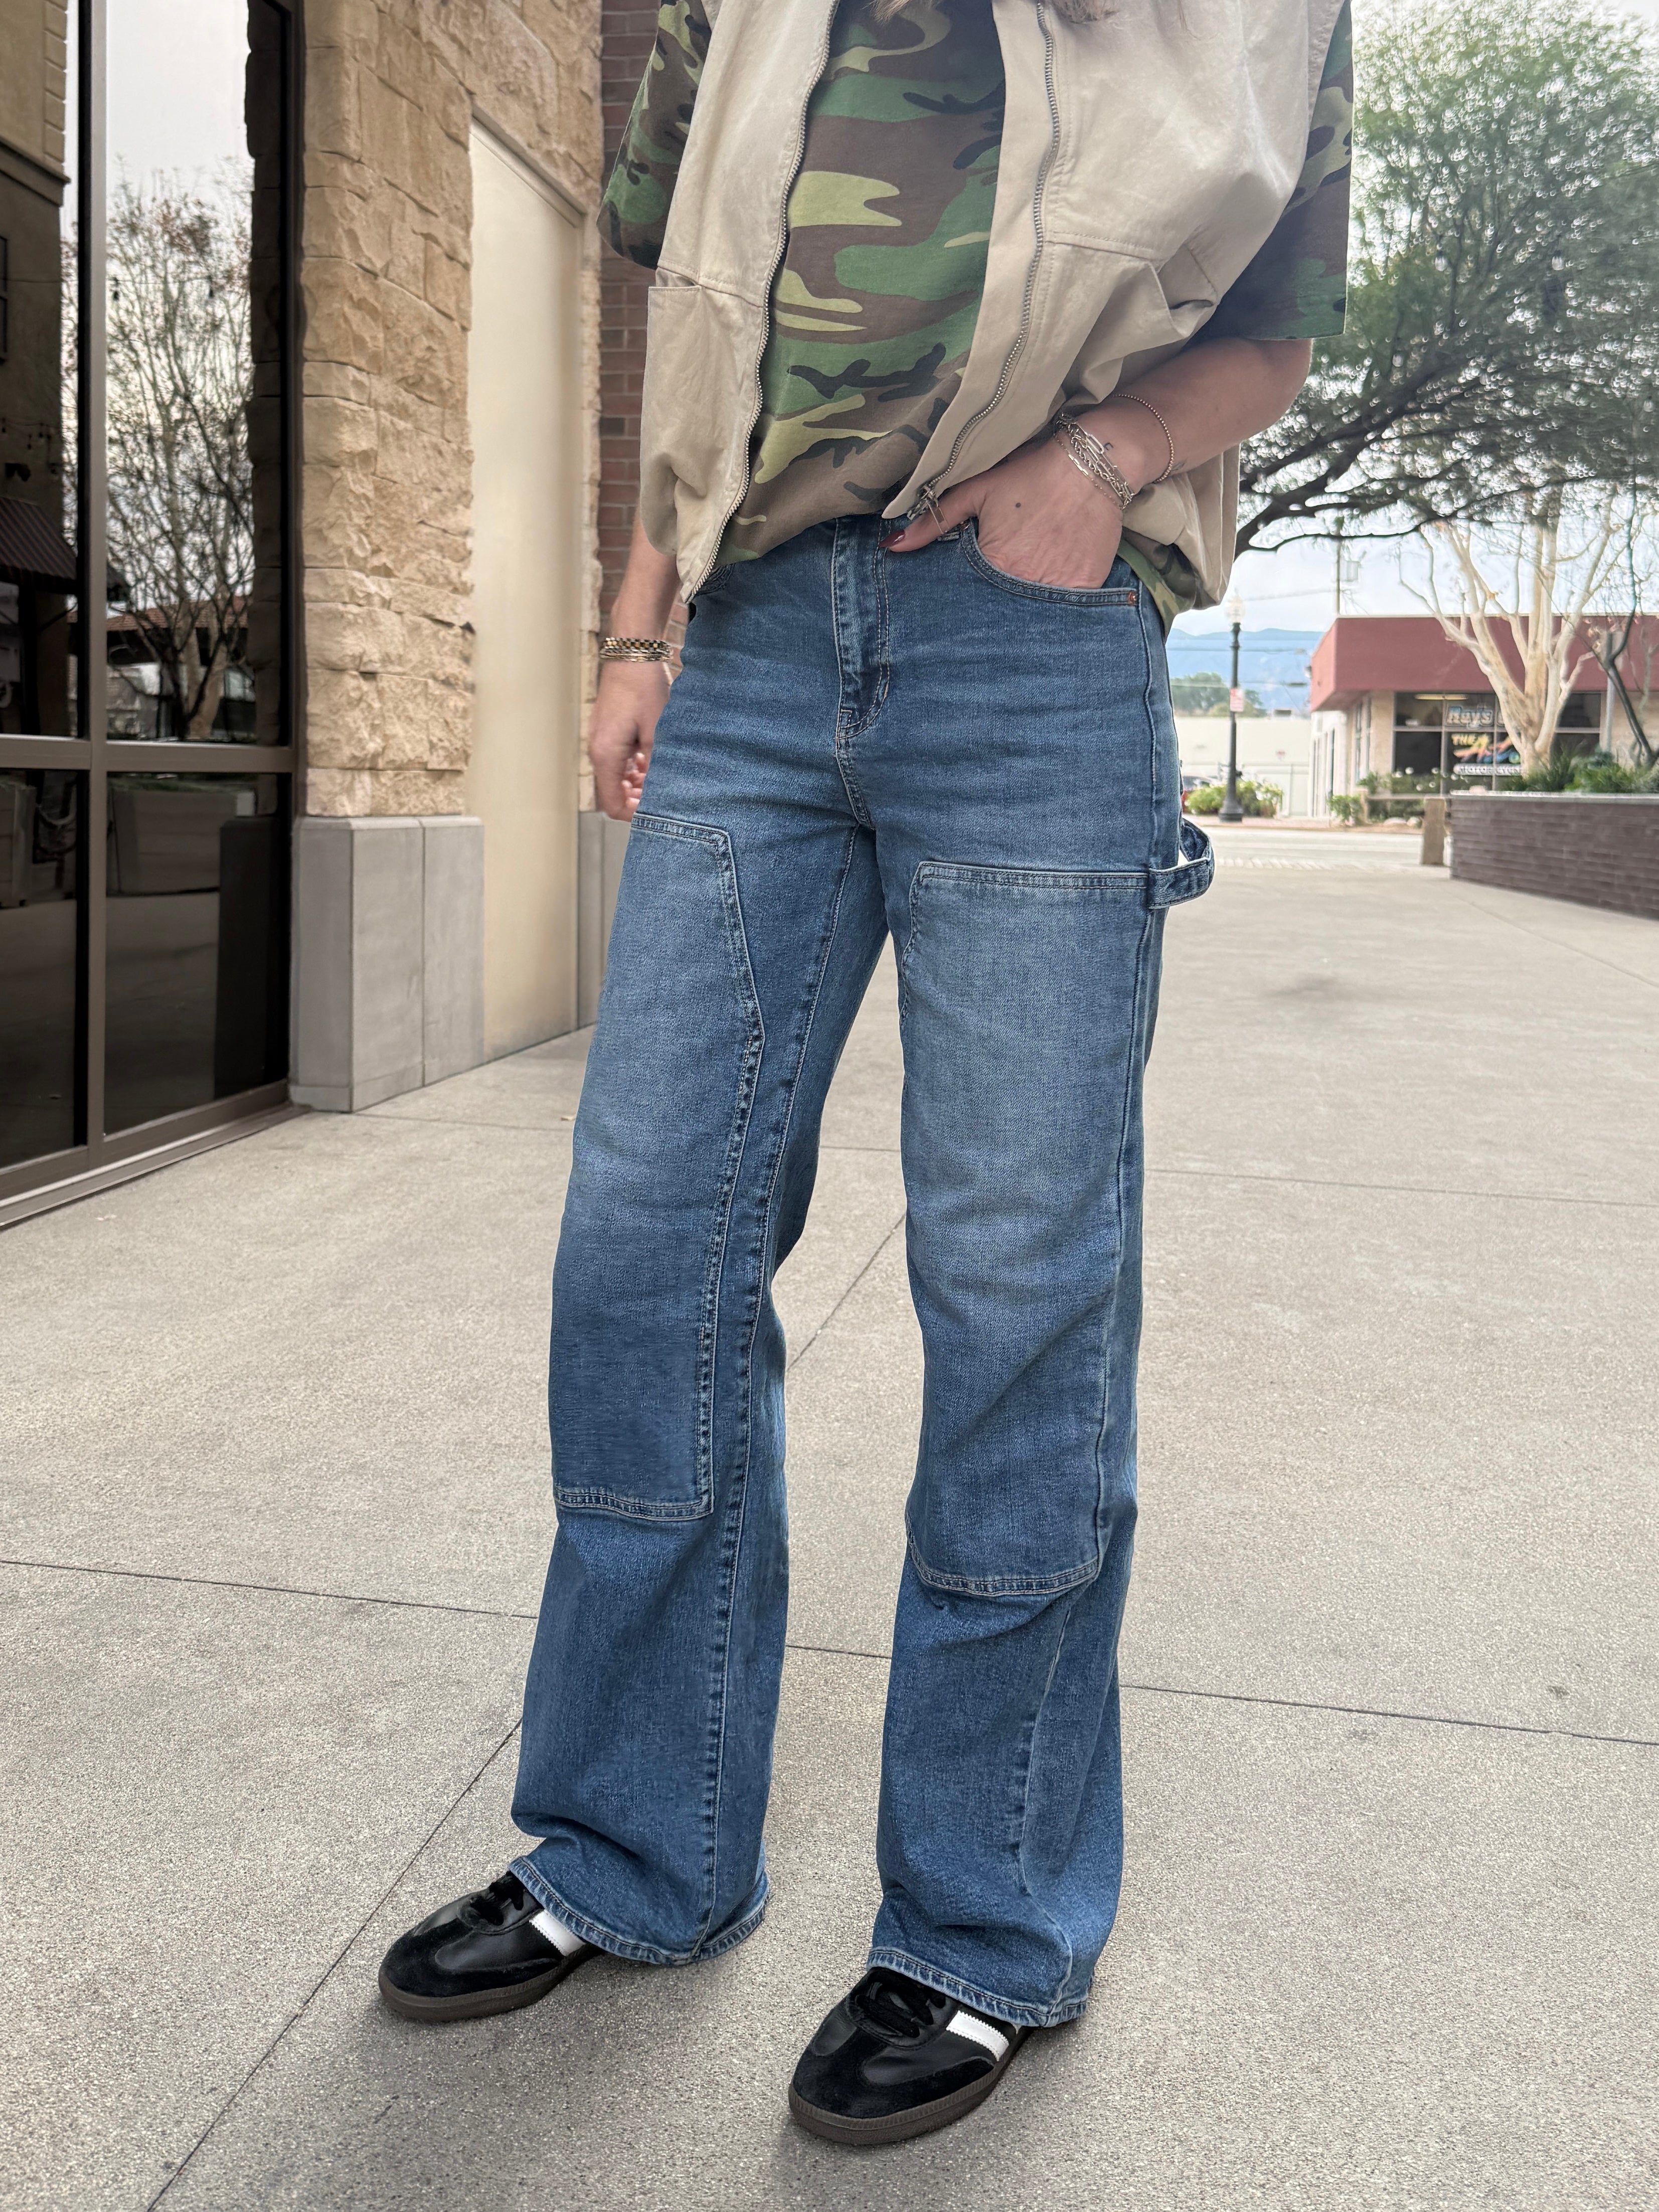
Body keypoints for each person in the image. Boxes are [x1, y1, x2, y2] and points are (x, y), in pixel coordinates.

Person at [380, 0, 1352, 2146]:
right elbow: (693, 314)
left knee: (1013, 1291)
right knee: (644, 1248)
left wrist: (1092, 472)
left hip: (1030, 638)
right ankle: (637, 1850)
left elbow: (1274, 329)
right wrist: (639, 620)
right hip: (745, 641)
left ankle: (980, 1917)